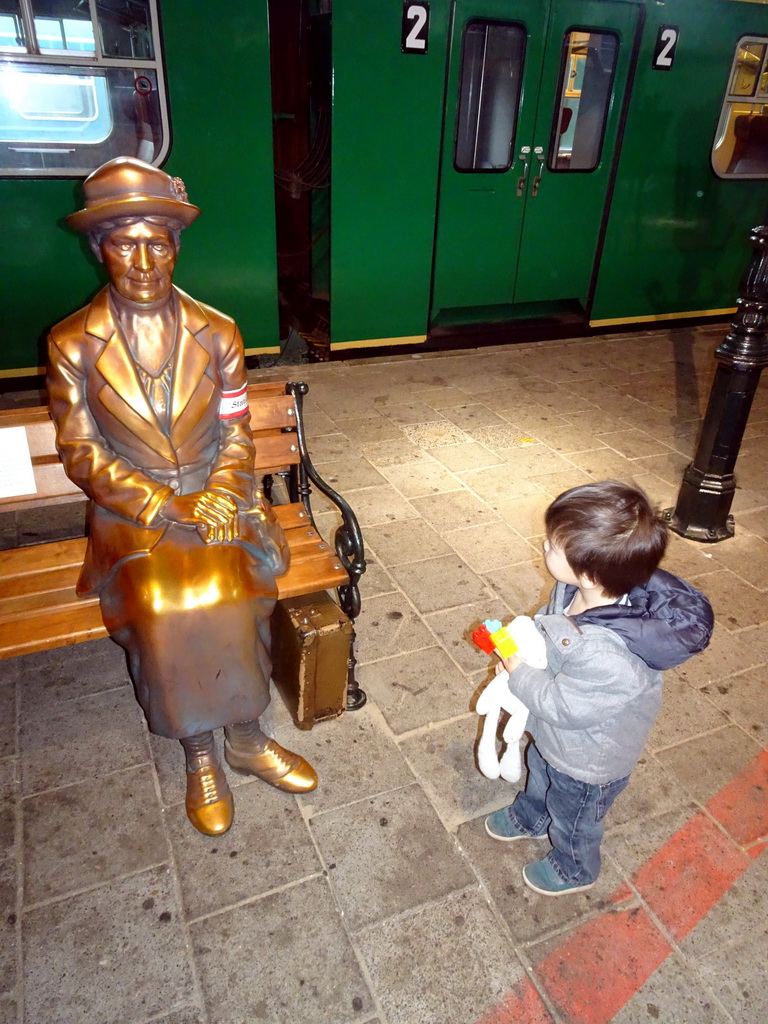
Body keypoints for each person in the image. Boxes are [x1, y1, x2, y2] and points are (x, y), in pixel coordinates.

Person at [47, 156, 317, 838]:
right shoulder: (72, 344)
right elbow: (82, 452)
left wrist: (223, 494)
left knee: (230, 591)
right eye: (123, 242)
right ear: (98, 249)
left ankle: (249, 737)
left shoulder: (217, 332)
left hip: (217, 500)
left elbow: (235, 431)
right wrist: (168, 507)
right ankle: (200, 751)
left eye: (157, 242)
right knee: (169, 604)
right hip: (132, 517)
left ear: (177, 247)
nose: (142, 260)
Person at [483, 480, 713, 896]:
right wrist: (529, 646)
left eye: (552, 546)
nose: (543, 548)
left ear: (589, 572)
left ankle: (574, 866)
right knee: (541, 771)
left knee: (573, 814)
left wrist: (518, 672)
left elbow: (564, 705)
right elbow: (549, 627)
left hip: (590, 758)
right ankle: (532, 815)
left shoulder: (608, 653)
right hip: (557, 737)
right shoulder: (575, 588)